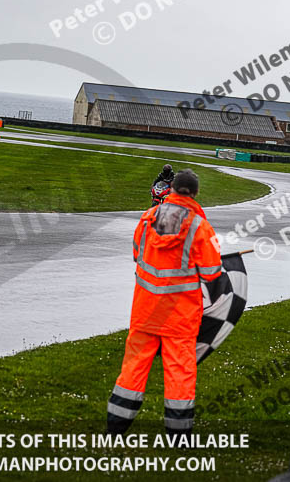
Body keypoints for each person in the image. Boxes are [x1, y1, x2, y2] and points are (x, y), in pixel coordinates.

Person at [108, 169, 222, 438]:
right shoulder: (200, 227)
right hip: (179, 317)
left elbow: (138, 254)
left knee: (132, 371)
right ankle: (179, 437)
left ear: (171, 189)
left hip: (145, 312)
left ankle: (114, 429)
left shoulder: (147, 219)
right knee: (179, 375)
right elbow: (212, 272)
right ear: (194, 193)